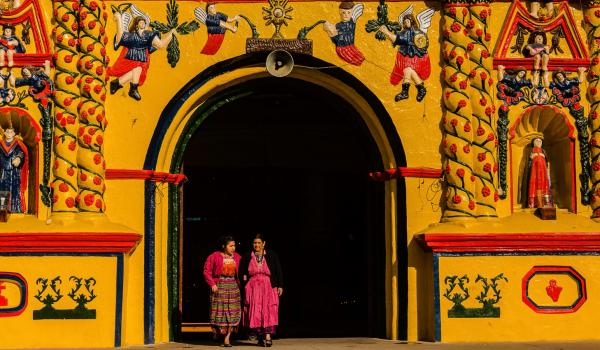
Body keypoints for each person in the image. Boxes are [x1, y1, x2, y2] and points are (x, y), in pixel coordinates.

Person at [107, 13, 175, 101]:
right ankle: (130, 88)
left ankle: (118, 83)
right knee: (138, 69)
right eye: (141, 22)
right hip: (130, 59)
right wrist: (119, 19)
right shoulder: (132, 35)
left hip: (142, 60)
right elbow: (120, 38)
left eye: (144, 22)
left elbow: (161, 45)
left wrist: (171, 34)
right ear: (136, 25)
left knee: (138, 69)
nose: (143, 23)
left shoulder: (149, 35)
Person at [239, 234, 283, 347]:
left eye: (259, 243)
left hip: (268, 286)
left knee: (268, 310)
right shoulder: (247, 256)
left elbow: (278, 270)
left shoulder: (271, 255)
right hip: (253, 287)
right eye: (255, 243)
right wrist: (245, 285)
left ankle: (268, 336)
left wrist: (280, 285)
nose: (256, 245)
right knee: (256, 310)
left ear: (264, 243)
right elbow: (242, 272)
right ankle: (259, 336)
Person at [378, 14, 430, 102]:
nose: (406, 23)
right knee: (409, 71)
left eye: (407, 21)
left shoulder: (414, 32)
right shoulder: (406, 31)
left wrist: (386, 32)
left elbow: (399, 39)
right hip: (408, 57)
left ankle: (405, 92)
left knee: (407, 70)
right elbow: (398, 39)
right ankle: (420, 88)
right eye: (404, 22)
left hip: (415, 57)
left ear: (412, 21)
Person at [203, 236, 242, 347]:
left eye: (234, 245)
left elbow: (243, 270)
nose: (233, 248)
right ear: (223, 246)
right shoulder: (214, 256)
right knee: (220, 312)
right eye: (231, 246)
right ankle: (217, 333)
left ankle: (227, 339)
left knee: (232, 311)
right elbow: (207, 271)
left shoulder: (238, 257)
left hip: (233, 287)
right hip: (220, 286)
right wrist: (212, 284)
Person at [323, 2, 365, 66]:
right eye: (343, 12)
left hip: (349, 47)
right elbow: (336, 40)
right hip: (341, 48)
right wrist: (330, 31)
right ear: (340, 13)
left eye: (348, 13)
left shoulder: (351, 23)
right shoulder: (338, 25)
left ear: (352, 13)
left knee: (360, 59)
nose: (346, 15)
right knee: (357, 60)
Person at [0, 127, 27, 213]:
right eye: (7, 132)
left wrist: (19, 158)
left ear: (14, 134)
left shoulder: (18, 144)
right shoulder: (1, 144)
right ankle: (3, 209)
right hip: (2, 171)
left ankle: (15, 208)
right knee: (3, 189)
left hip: (14, 172)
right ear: (4, 133)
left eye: (11, 132)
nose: (9, 133)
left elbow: (22, 152)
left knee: (14, 189)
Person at [526, 138, 552, 208]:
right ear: (533, 142)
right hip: (534, 172)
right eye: (537, 141)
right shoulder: (530, 151)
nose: (539, 142)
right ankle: (533, 203)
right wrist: (532, 158)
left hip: (543, 173)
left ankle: (545, 202)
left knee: (544, 185)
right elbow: (528, 163)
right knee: (534, 185)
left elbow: (547, 162)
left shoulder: (543, 151)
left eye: (540, 141)